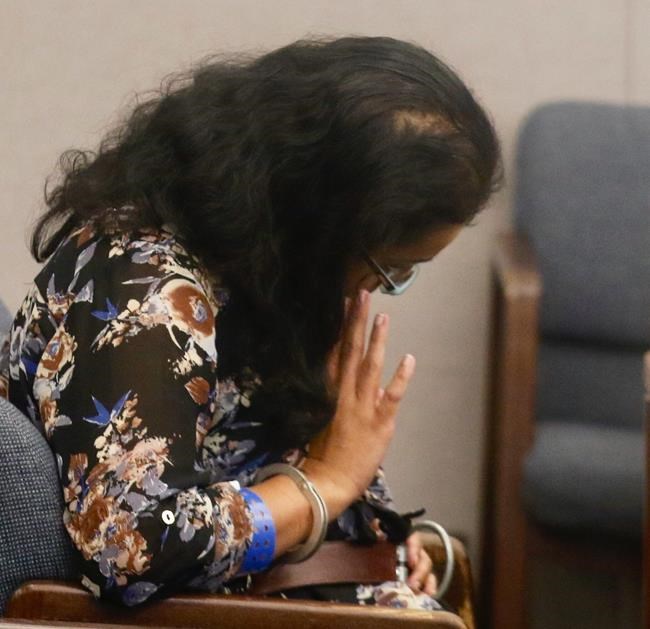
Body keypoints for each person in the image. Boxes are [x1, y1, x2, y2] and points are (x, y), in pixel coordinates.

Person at [0, 35, 500, 609]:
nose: (374, 290)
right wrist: (324, 490)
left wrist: (370, 527)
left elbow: (271, 458)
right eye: (388, 267)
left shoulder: (265, 274)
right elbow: (139, 545)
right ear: (319, 220)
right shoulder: (145, 288)